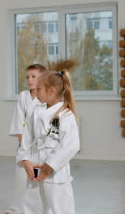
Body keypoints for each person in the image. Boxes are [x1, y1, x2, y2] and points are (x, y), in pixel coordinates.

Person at [16, 60, 80, 214]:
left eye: (38, 89)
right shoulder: (35, 111)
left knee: (58, 207)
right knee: (32, 206)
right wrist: (25, 160)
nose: (35, 92)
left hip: (55, 174)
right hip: (35, 168)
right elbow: (27, 139)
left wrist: (50, 165)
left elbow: (71, 145)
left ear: (51, 91)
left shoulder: (65, 114)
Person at [5, 64, 45, 214]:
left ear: (42, 77)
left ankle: (38, 209)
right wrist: (23, 147)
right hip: (24, 144)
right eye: (28, 77)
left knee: (36, 178)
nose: (30, 80)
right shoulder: (23, 96)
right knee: (21, 177)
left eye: (34, 76)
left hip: (41, 145)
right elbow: (18, 121)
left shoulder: (46, 97)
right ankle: (16, 209)